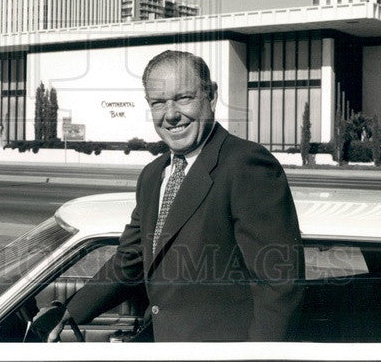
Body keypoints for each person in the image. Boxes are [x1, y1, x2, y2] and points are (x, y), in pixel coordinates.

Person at [51, 49, 305, 342]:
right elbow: (131, 259)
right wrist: (72, 312)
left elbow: (278, 285)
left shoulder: (246, 164)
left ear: (211, 95)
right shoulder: (152, 176)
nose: (171, 115)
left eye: (183, 98)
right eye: (159, 102)